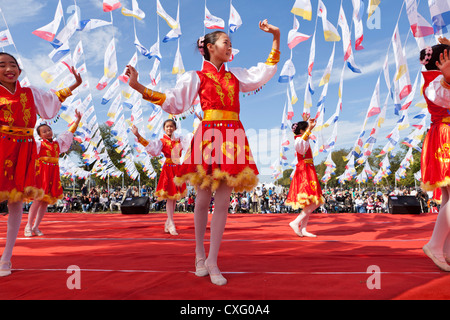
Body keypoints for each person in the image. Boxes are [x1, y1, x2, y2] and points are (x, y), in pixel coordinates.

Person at [126, 19, 280, 285]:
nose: (230, 47)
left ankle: (213, 260)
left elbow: (264, 72)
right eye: (225, 43)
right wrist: (139, 87)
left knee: (223, 202)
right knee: (201, 199)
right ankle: (199, 253)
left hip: (233, 136)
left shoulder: (236, 76)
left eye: (231, 44)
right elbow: (174, 103)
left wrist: (276, 36)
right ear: (209, 48)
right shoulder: (195, 77)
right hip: (208, 136)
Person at [0, 52, 82, 277]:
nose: (9, 69)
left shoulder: (30, 92)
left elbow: (51, 101)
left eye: (13, 64)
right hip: (1, 147)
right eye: (2, 65)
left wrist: (75, 83)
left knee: (16, 203)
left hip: (23, 149)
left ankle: (6, 257)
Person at [25, 109, 82, 237]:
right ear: (39, 135)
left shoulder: (58, 143)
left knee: (46, 201)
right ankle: (28, 226)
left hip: (53, 174)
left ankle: (36, 227)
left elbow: (69, 133)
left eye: (49, 130)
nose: (47, 132)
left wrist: (77, 120)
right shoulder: (39, 144)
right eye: (44, 131)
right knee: (38, 200)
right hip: (42, 174)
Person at [419, 38, 450, 271]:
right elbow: (444, 98)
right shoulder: (435, 83)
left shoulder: (437, 80)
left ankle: (445, 249)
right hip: (445, 136)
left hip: (443, 135)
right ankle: (435, 245)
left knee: (448, 198)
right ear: (442, 62)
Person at [131, 119, 189, 235]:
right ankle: (171, 223)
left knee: (173, 198)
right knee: (169, 197)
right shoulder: (162, 141)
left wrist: (203, 122)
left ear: (175, 128)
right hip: (168, 169)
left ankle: (169, 221)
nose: (169, 128)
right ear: (164, 128)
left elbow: (194, 140)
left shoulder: (180, 140)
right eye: (167, 126)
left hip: (177, 169)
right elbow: (150, 146)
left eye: (171, 126)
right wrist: (138, 135)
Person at [286, 115, 324, 238]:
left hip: (308, 169)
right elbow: (301, 148)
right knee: (316, 200)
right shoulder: (298, 140)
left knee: (311, 201)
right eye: (307, 129)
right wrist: (309, 128)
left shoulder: (302, 138)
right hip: (304, 170)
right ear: (302, 131)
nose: (309, 131)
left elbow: (304, 140)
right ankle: (296, 222)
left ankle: (303, 229)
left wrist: (307, 124)